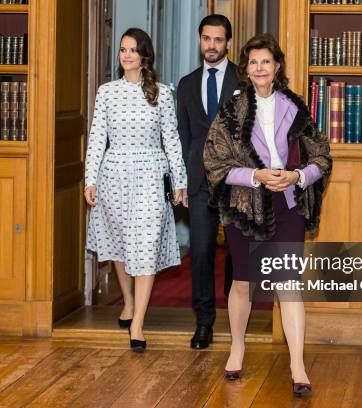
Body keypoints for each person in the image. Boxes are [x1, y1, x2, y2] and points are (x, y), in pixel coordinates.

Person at [203, 34, 332, 396]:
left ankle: (297, 364)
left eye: (266, 61)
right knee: (243, 281)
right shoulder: (231, 111)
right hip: (246, 206)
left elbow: (321, 157)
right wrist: (255, 175)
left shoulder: (297, 107)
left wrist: (297, 176)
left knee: (288, 284)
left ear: (277, 67)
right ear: (246, 69)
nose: (260, 68)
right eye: (253, 62)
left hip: (287, 203)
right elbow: (214, 162)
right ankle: (237, 347)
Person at [84, 28, 187, 352]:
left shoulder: (162, 93)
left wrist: (180, 180)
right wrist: (90, 179)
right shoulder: (107, 92)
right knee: (119, 243)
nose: (126, 55)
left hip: (151, 176)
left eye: (132, 50)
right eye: (122, 50)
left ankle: (138, 324)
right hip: (113, 174)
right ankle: (127, 301)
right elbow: (97, 137)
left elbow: (171, 140)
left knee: (144, 246)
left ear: (145, 56)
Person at [176, 14, 238, 350]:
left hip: (236, 180)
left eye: (218, 39)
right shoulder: (186, 84)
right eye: (206, 39)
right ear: (200, 40)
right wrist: (180, 180)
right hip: (198, 181)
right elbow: (183, 135)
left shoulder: (244, 79)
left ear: (227, 42)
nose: (211, 45)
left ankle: (235, 314)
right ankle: (204, 322)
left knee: (234, 252)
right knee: (200, 252)